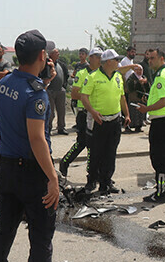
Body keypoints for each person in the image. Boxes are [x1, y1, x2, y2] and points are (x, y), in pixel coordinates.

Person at [0, 29, 59, 262]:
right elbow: (37, 139)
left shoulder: (7, 82)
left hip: (6, 167)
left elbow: (20, 96)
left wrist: (43, 81)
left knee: (4, 230)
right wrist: (52, 178)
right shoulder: (35, 94)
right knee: (40, 238)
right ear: (42, 56)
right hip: (31, 172)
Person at [81, 49, 130, 194]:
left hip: (115, 121)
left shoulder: (118, 77)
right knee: (95, 153)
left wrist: (127, 114)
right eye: (116, 60)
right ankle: (91, 181)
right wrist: (93, 112)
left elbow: (122, 97)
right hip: (99, 122)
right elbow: (84, 97)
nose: (118, 63)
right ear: (108, 62)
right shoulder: (93, 77)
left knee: (110, 152)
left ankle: (106, 182)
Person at [137, 48, 165, 203]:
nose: (150, 61)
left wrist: (146, 108)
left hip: (161, 122)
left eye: (153, 58)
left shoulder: (161, 76)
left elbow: (164, 100)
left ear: (162, 59)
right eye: (149, 59)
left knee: (159, 159)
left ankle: (161, 194)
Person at [58, 47, 101, 178]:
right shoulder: (82, 73)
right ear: (90, 58)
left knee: (94, 145)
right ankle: (64, 162)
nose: (100, 59)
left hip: (96, 113)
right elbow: (74, 94)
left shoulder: (102, 73)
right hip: (84, 113)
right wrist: (89, 95)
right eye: (97, 57)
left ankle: (94, 174)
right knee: (82, 142)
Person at [45, 46, 68, 135]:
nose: (58, 54)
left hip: (60, 90)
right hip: (50, 90)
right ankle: (49, 128)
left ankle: (61, 127)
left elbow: (66, 75)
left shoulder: (60, 64)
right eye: (56, 52)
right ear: (51, 54)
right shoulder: (47, 64)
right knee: (50, 112)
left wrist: (64, 87)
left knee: (62, 111)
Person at [125, 64, 150, 133]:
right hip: (134, 98)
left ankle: (138, 127)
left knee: (140, 113)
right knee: (133, 113)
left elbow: (148, 87)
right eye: (137, 70)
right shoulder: (131, 77)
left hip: (142, 98)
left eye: (140, 70)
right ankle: (129, 127)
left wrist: (146, 83)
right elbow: (129, 87)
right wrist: (138, 83)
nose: (139, 71)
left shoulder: (143, 77)